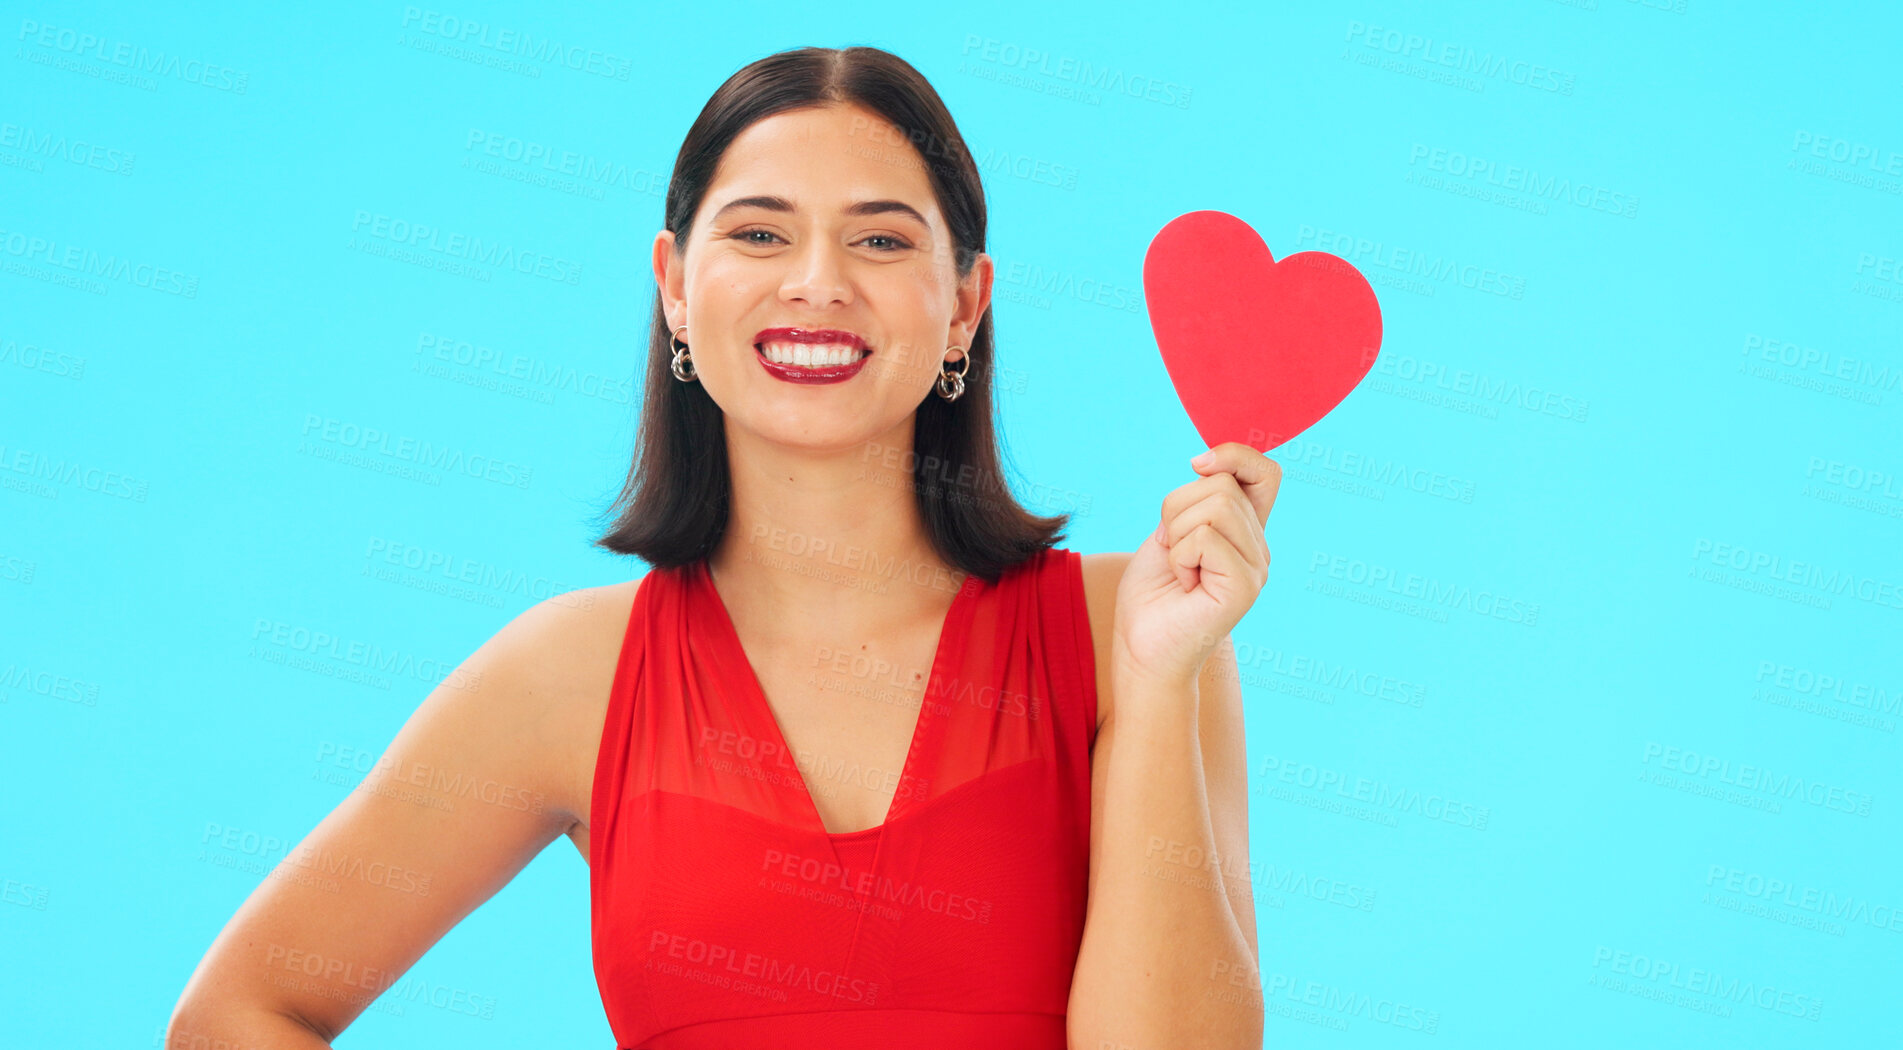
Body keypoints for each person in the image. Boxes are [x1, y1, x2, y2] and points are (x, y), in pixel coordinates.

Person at [167, 45, 1276, 1050]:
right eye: (758, 233)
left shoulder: (1127, 627)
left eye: (881, 239)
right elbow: (240, 1015)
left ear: (963, 306)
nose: (817, 282)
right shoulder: (566, 677)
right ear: (675, 286)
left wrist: (1158, 675)